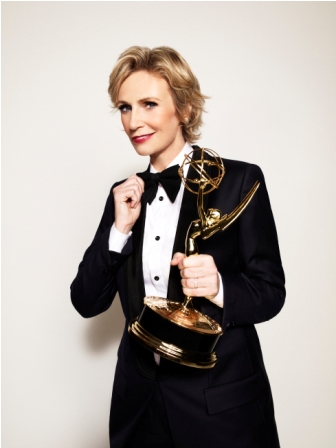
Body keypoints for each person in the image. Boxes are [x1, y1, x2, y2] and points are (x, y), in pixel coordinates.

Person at [71, 46, 285, 448]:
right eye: (124, 107)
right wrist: (119, 231)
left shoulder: (239, 181)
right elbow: (85, 301)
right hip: (139, 408)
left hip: (220, 407)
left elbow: (271, 292)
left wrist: (219, 286)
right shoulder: (123, 196)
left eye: (149, 104)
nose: (134, 121)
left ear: (185, 109)